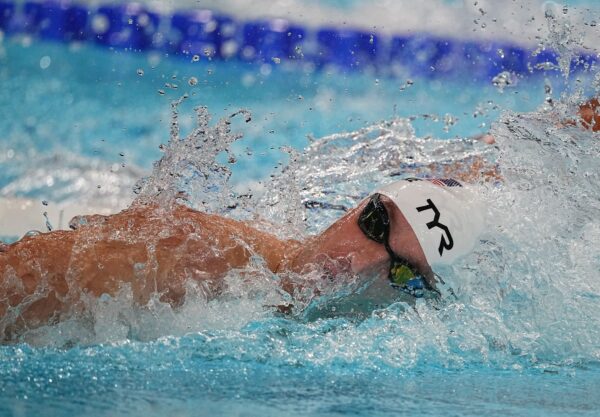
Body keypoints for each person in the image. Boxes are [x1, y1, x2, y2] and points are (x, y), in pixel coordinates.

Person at [0, 97, 597, 339]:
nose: (352, 259)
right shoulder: (196, 257)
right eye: (372, 223)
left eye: (397, 272)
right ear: (357, 205)